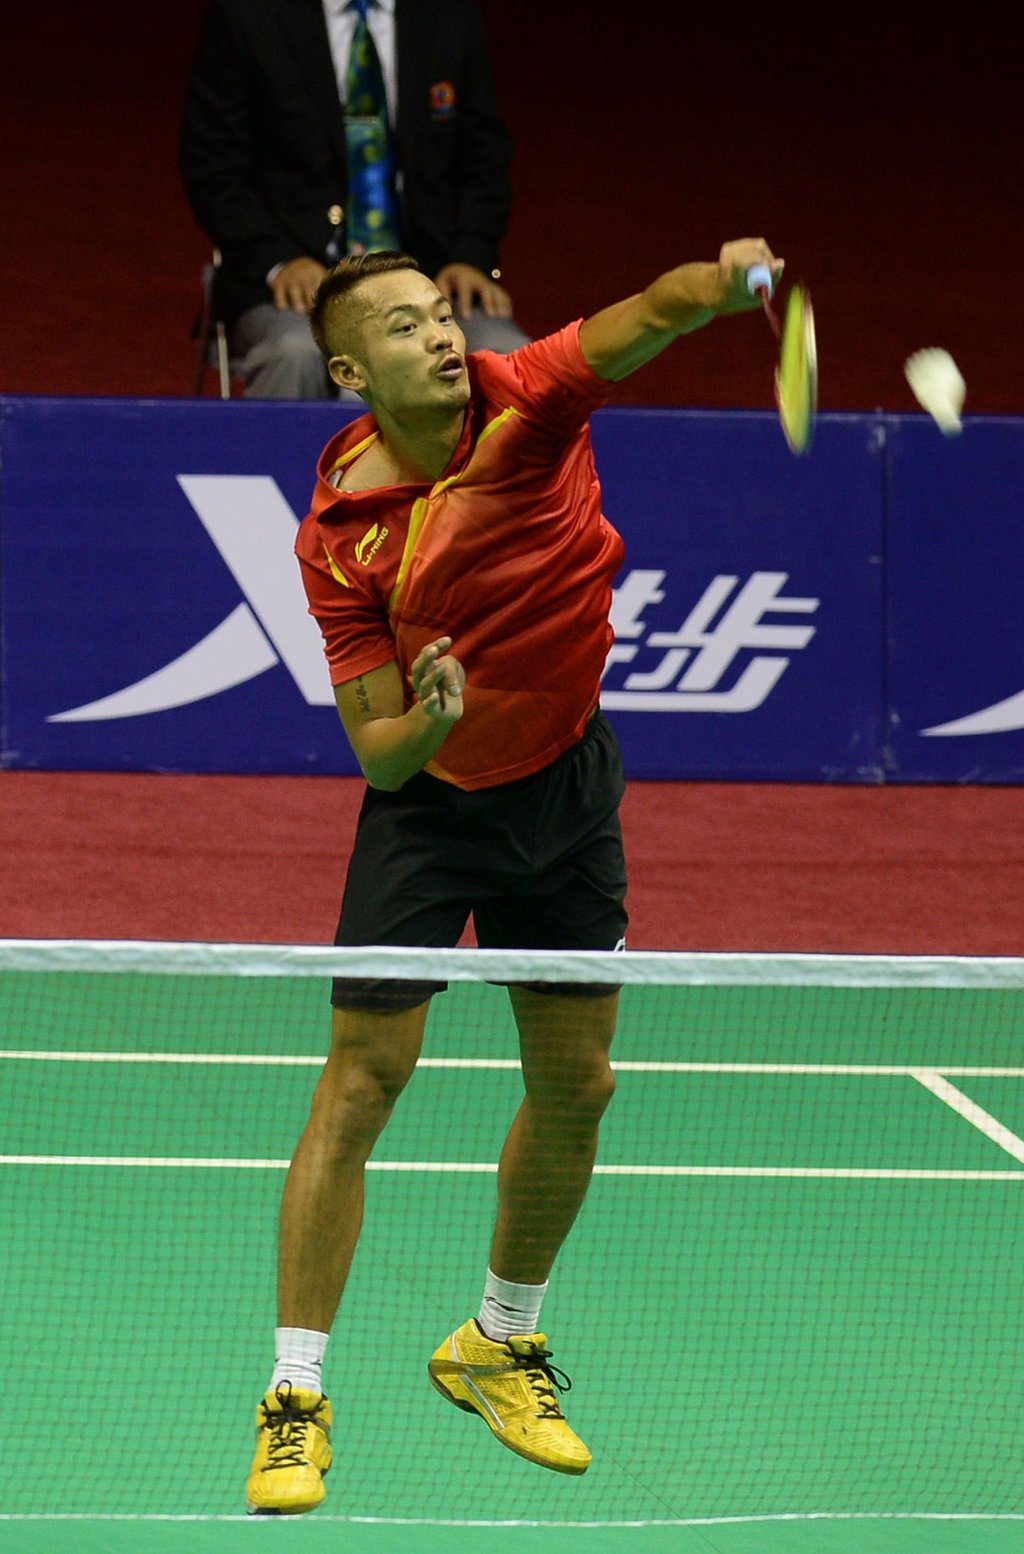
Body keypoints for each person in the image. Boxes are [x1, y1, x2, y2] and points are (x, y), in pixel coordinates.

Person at [244, 237, 784, 1515]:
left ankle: (498, 1340)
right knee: (361, 1084)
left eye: (440, 312)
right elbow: (377, 754)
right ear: (347, 371)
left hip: (565, 786)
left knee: (579, 1085)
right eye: (403, 326)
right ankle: (294, 1397)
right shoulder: (338, 538)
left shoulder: (527, 401)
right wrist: (428, 716)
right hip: (430, 814)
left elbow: (645, 314)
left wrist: (725, 282)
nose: (441, 334)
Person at [179, 0, 529, 399]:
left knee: (505, 354)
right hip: (289, 281)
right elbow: (213, 168)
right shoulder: (249, 14)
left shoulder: (449, 13)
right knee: (293, 353)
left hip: (429, 278)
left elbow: (484, 160)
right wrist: (277, 261)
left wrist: (469, 255)